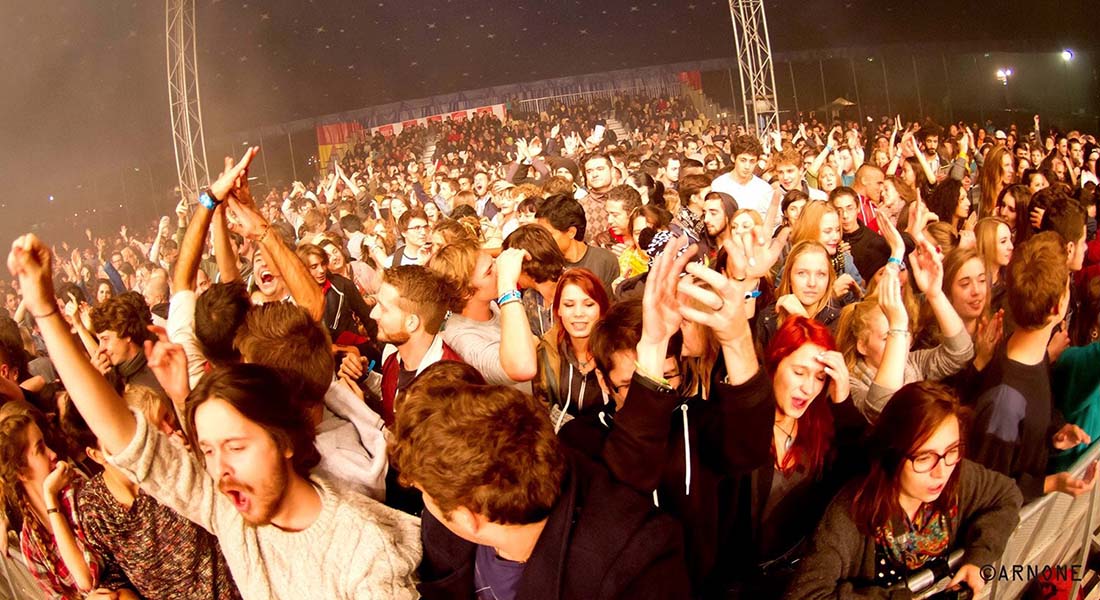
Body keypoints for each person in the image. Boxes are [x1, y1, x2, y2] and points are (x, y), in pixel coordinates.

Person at [10, 156, 422, 599]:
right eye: (206, 450)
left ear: (285, 439)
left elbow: (307, 305)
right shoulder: (230, 511)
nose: (219, 470)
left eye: (235, 446)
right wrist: (46, 312)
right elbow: (128, 439)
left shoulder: (364, 552)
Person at [389, 361, 692, 600]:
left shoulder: (639, 567)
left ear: (469, 519)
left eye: (425, 494)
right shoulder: (451, 530)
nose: (425, 502)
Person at [786, 382, 1022, 598]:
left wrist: (979, 557)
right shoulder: (850, 514)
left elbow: (1007, 495)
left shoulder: (956, 473)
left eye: (952, 450)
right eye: (924, 457)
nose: (941, 471)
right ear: (892, 454)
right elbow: (803, 595)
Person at [60, 394, 242, 600]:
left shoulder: (162, 465)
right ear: (96, 455)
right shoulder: (94, 503)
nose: (124, 436)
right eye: (111, 434)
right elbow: (112, 576)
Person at [970, 232, 1097, 501]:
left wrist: (1055, 434)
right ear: (1057, 306)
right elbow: (986, 490)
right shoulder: (1005, 400)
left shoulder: (1033, 355)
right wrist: (1049, 484)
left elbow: (1028, 430)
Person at [837, 235, 973, 423]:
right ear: (862, 345)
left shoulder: (912, 364)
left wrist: (935, 294)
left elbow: (960, 353)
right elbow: (882, 408)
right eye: (888, 337)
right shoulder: (852, 384)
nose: (902, 343)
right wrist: (898, 326)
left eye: (904, 334)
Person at [0, 412, 121, 599]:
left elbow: (86, 578)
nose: (53, 454)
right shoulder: (30, 541)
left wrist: (50, 498)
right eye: (40, 449)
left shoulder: (78, 492)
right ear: (21, 472)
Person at [427, 239, 538, 390]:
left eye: (493, 262)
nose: (498, 270)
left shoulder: (489, 305)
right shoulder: (461, 337)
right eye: (489, 272)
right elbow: (523, 368)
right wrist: (507, 285)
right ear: (466, 292)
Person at [369, 265, 464, 427]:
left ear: (412, 323)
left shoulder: (450, 387)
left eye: (383, 309)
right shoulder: (393, 360)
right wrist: (366, 378)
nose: (373, 314)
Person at [534, 269, 610, 431]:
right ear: (558, 310)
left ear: (601, 309)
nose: (578, 313)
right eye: (569, 305)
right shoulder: (547, 350)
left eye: (589, 304)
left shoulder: (616, 351)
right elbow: (542, 403)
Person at [758, 241, 848, 350]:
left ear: (829, 279)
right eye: (802, 273)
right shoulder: (768, 319)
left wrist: (803, 320)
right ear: (789, 277)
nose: (812, 283)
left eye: (821, 274)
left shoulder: (842, 321)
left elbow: (823, 363)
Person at [535, 194, 620, 294]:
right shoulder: (545, 266)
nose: (542, 240)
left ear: (571, 232)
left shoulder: (605, 260)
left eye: (548, 234)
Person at [90, 291, 167, 400]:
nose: (101, 348)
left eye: (105, 339)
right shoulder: (111, 374)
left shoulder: (156, 376)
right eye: (100, 340)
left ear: (127, 335)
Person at [831, 187, 891, 282]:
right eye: (839, 211)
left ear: (858, 208)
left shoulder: (875, 243)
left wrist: (848, 261)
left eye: (849, 208)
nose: (845, 215)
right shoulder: (830, 242)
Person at [710, 134, 773, 215]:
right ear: (733, 158)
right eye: (743, 160)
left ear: (757, 162)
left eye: (752, 161)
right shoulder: (719, 185)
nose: (747, 166)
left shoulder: (765, 189)